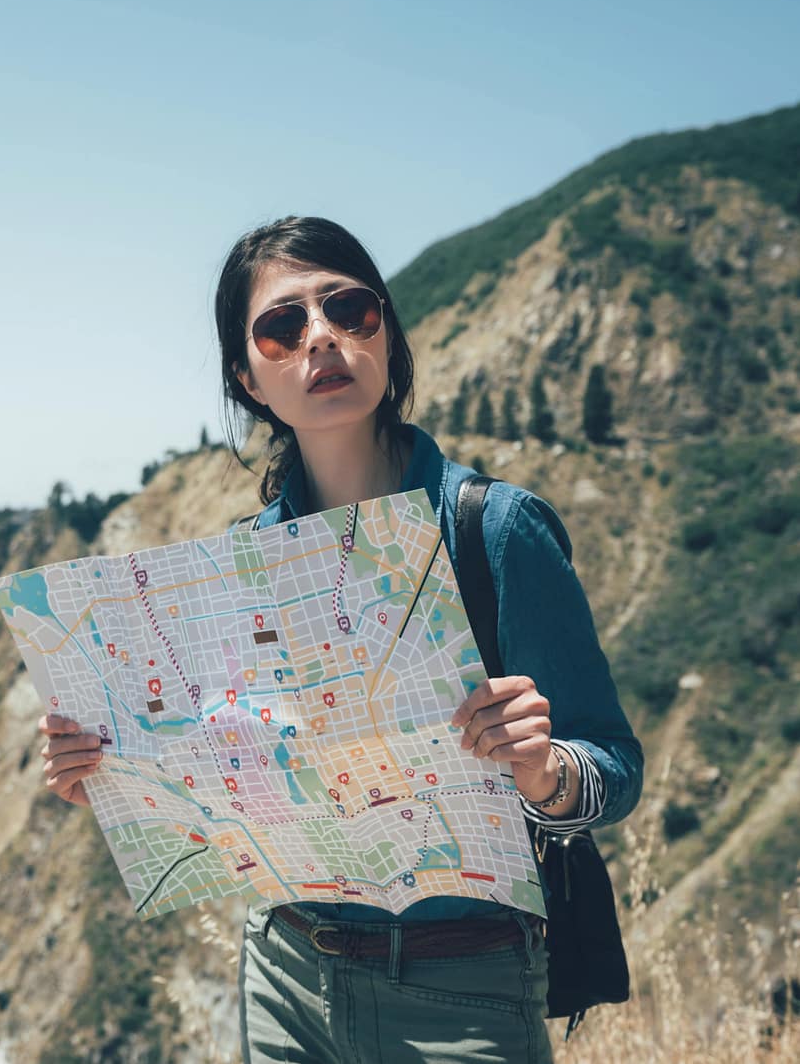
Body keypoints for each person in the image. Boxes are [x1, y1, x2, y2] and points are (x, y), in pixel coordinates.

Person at [36, 216, 644, 1062]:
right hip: (284, 972)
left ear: (386, 334)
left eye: (349, 309)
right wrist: (111, 777)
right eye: (282, 327)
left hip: (460, 984)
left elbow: (614, 768)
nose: (321, 337)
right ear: (247, 378)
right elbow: (231, 776)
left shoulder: (494, 530)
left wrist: (544, 770)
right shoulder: (243, 560)